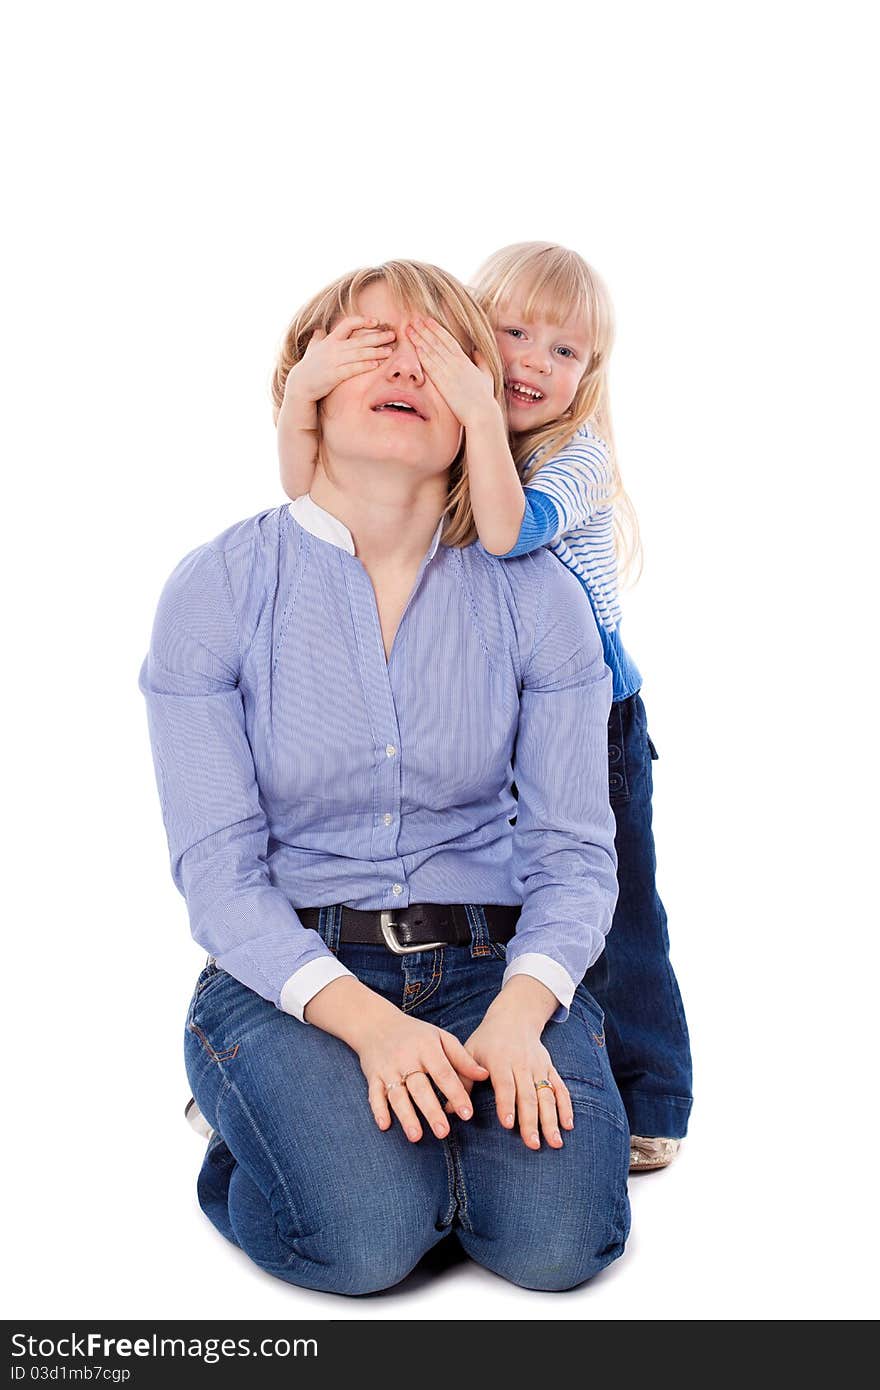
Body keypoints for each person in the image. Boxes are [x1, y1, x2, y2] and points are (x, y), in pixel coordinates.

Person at [139, 259, 630, 1296]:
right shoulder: (218, 588)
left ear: (475, 410)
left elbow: (575, 855)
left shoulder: (536, 598)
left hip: (492, 966)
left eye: (437, 351)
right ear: (308, 381)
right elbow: (219, 873)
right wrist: (365, 1027)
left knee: (556, 1246)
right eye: (371, 340)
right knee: (361, 1245)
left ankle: (413, 1170)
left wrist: (517, 1012)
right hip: (300, 976)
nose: (406, 364)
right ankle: (269, 1122)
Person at [278, 244, 693, 1171]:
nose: (533, 363)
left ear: (591, 377)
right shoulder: (462, 437)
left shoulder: (572, 458)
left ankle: (652, 1092)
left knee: (615, 904)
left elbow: (505, 534)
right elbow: (308, 499)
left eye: (566, 352)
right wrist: (305, 391)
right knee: (480, 886)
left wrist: (471, 408)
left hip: (596, 713)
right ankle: (317, 1066)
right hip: (496, 704)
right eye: (512, 334)